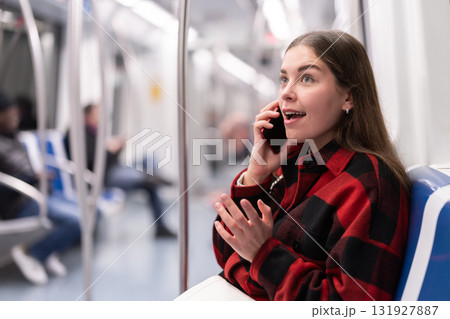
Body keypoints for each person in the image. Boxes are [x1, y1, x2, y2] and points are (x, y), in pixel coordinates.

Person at [211, 31, 410, 301]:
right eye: (284, 79)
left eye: (307, 78)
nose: (286, 94)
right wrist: (256, 175)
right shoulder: (293, 161)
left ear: (348, 98)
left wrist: (261, 256)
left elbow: (345, 307)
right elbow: (226, 250)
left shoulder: (368, 183)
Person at [0, 91, 81, 285]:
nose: (15, 118)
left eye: (16, 114)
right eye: (10, 114)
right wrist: (30, 177)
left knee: (85, 211)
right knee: (77, 220)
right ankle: (34, 254)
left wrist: (37, 176)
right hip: (17, 203)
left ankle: (46, 250)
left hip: (34, 194)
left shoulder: (13, 138)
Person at [65, 103, 175, 238]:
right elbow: (92, 159)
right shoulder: (77, 134)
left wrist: (116, 147)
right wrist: (111, 149)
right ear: (87, 115)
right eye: (97, 113)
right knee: (148, 183)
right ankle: (151, 180)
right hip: (103, 176)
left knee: (148, 157)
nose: (100, 116)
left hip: (114, 168)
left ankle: (153, 177)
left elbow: (105, 157)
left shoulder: (94, 131)